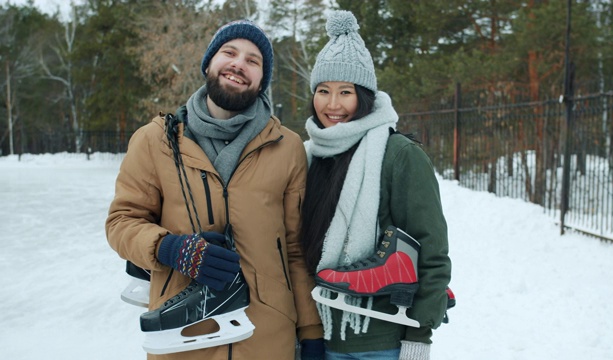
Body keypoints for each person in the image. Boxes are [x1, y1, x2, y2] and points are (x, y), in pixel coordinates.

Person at [105, 19, 324, 360]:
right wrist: (169, 248)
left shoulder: (288, 146)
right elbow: (121, 222)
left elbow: (295, 250)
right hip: (183, 337)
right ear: (209, 63)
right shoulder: (155, 140)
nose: (240, 64)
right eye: (230, 52)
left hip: (267, 339)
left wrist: (311, 331)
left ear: (261, 80)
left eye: (254, 61)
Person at [300, 10, 452, 360]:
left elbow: (431, 250)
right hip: (314, 333)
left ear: (364, 95)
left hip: (379, 341)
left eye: (345, 92)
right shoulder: (308, 155)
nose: (333, 104)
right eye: (323, 91)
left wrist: (419, 336)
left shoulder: (398, 155)